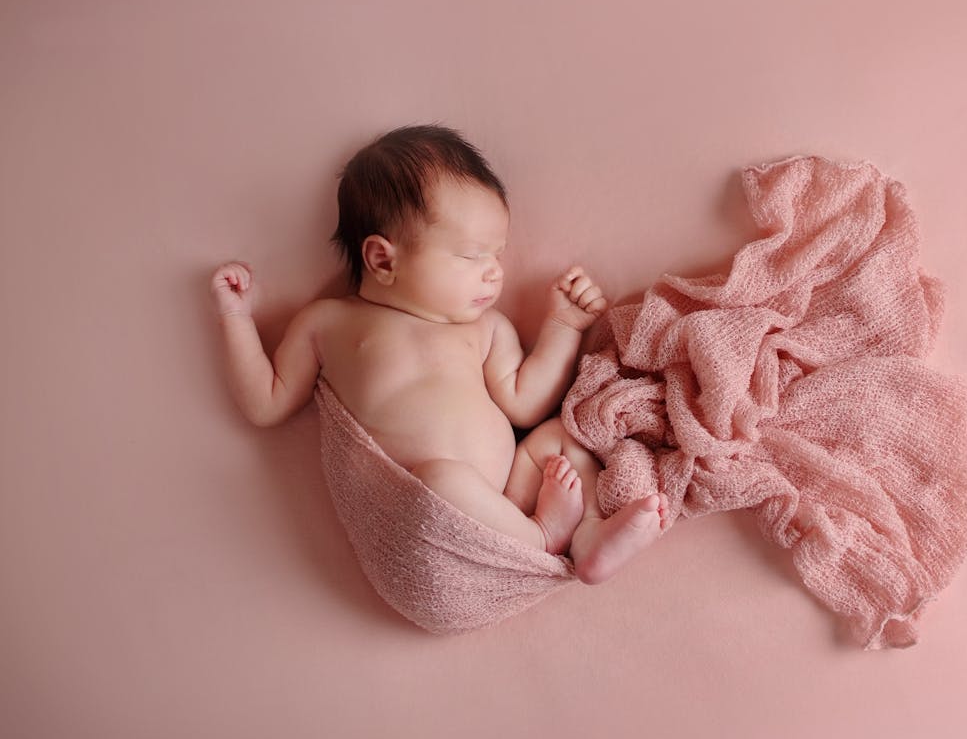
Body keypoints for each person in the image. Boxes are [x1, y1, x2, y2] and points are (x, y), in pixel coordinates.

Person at [210, 124, 668, 584]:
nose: (493, 273)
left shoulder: (485, 328)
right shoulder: (328, 323)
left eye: (498, 254)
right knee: (441, 479)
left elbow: (525, 402)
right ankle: (543, 537)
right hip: (431, 509)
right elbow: (265, 403)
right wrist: (236, 319)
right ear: (383, 260)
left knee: (560, 437)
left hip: (510, 491)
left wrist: (563, 328)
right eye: (471, 256)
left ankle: (589, 535)